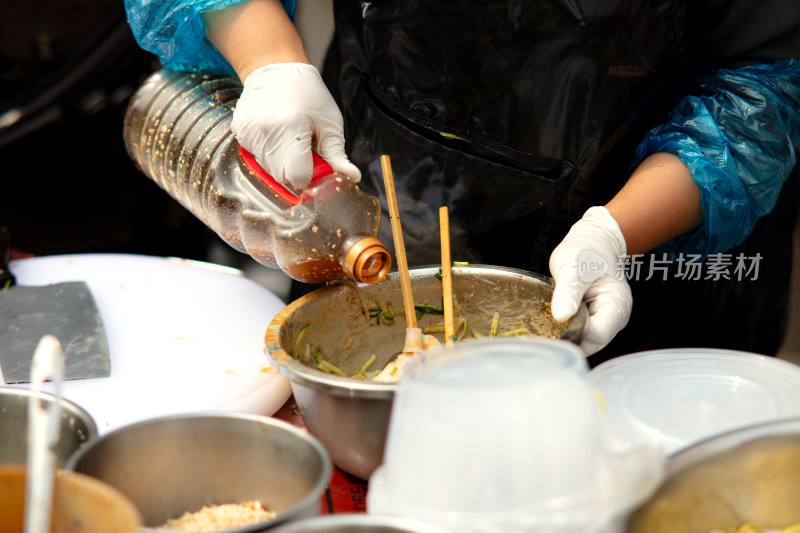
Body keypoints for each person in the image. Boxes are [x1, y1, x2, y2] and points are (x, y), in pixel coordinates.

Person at [123, 0, 800, 363]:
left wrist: (615, 232)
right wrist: (271, 64)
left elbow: (759, 99)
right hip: (383, 181)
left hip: (650, 258)